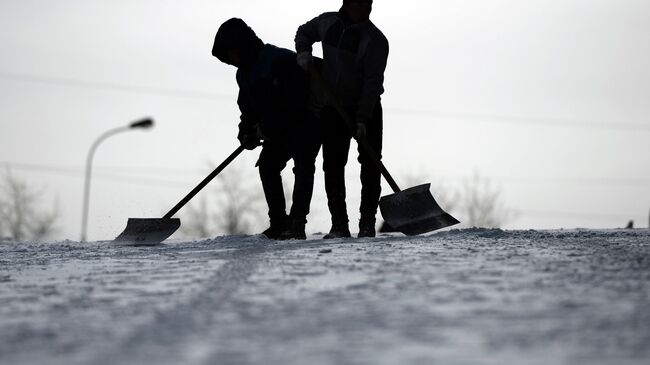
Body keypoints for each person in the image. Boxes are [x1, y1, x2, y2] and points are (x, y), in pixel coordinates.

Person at [212, 18, 321, 240]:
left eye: (230, 53)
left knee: (303, 164)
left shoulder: (279, 60)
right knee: (268, 166)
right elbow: (248, 109)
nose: (230, 60)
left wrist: (265, 129)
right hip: (277, 129)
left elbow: (294, 103)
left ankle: (297, 223)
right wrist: (246, 132)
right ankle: (279, 223)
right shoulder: (243, 74)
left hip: (306, 121)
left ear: (240, 46)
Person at [294, 0, 389, 238]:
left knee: (370, 163)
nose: (366, 10)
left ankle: (367, 224)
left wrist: (362, 119)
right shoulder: (327, 22)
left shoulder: (376, 40)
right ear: (347, 3)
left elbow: (372, 83)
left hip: (366, 108)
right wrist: (303, 51)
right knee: (333, 165)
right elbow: (304, 32)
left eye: (369, 5)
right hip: (332, 107)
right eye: (361, 5)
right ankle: (339, 225)